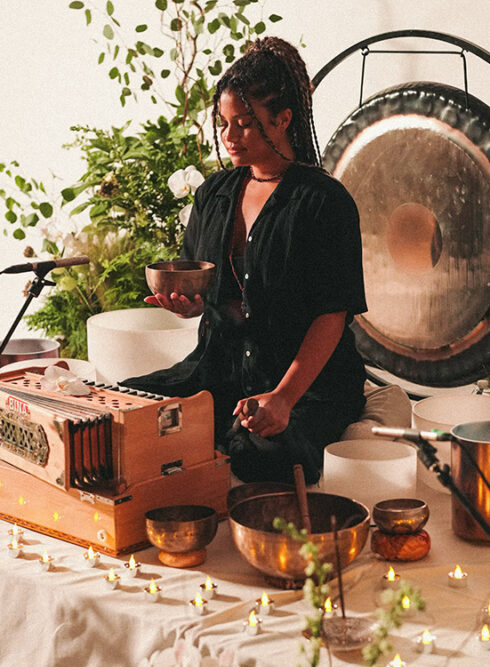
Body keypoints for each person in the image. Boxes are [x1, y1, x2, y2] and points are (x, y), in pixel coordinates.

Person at [121, 36, 367, 485]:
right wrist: (189, 304)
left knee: (255, 454)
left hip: (304, 386)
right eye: (223, 123)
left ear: (284, 119)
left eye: (244, 124)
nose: (228, 136)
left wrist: (283, 398)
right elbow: (203, 284)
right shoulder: (213, 195)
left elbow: (332, 315)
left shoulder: (324, 202)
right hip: (219, 372)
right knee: (124, 408)